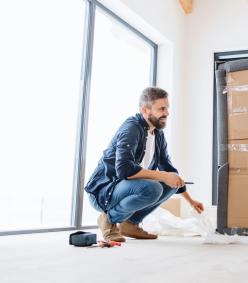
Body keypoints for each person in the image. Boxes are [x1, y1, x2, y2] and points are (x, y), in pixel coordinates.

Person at [85, 87, 204, 242]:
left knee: (170, 183)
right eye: (161, 109)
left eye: (167, 108)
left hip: (124, 187)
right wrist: (162, 176)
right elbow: (124, 170)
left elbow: (168, 170)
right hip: (105, 192)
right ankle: (108, 219)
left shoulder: (158, 134)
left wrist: (190, 201)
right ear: (145, 110)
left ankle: (130, 224)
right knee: (154, 187)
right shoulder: (131, 129)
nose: (166, 113)